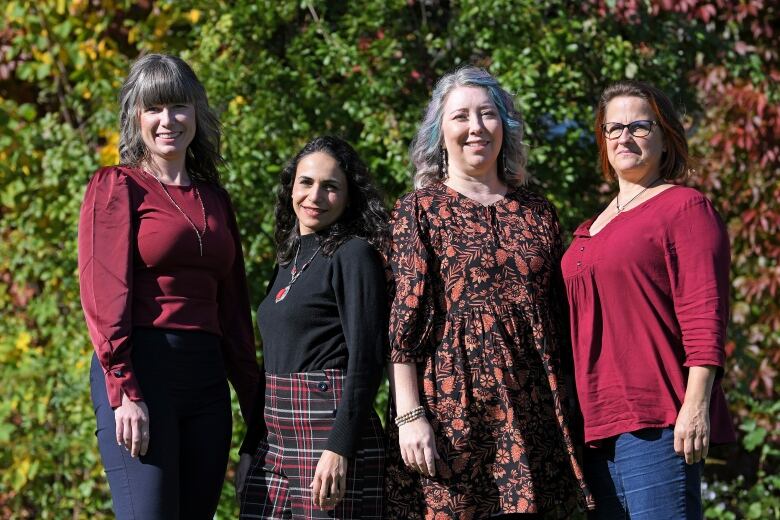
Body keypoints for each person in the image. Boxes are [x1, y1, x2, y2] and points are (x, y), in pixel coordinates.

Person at [385, 66, 594, 519]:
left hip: (536, 409)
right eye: (461, 116)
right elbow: (404, 325)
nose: (476, 128)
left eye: (487, 115)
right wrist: (409, 415)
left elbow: (559, 317)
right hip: (451, 415)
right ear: (440, 132)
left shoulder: (538, 211)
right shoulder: (418, 210)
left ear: (505, 126)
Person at [78, 54, 261, 519]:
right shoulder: (116, 186)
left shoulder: (214, 199)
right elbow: (104, 294)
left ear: (196, 112)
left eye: (179, 106)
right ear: (135, 116)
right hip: (143, 367)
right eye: (154, 108)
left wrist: (255, 410)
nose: (168, 120)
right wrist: (124, 388)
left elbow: (234, 312)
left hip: (206, 377)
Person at [561, 80, 736, 519]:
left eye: (640, 126)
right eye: (613, 127)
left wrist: (695, 405)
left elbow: (704, 312)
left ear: (664, 136)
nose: (625, 136)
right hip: (595, 425)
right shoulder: (589, 227)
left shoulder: (683, 207)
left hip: (658, 420)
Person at [236, 136, 389, 519]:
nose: (315, 195)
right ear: (291, 186)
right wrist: (249, 449)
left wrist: (340, 447)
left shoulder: (354, 254)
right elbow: (270, 365)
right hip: (274, 435)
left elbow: (367, 360)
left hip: (329, 429)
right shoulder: (288, 261)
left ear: (349, 197)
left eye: (330, 186)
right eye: (306, 182)